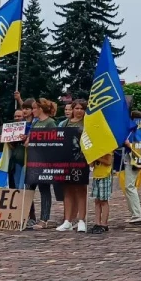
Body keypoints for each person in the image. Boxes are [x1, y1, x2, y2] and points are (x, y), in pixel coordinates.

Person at [57, 99, 88, 233]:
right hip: (65, 159)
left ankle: (81, 220)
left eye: (82, 108)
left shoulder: (87, 123)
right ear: (73, 109)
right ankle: (67, 220)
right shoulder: (64, 123)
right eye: (77, 108)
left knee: (81, 190)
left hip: (81, 160)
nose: (79, 111)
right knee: (68, 190)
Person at [28, 99, 58, 229]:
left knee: (44, 189)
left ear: (40, 109)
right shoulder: (35, 123)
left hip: (44, 161)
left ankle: (44, 219)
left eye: (34, 108)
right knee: (29, 189)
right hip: (33, 160)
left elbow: (54, 140)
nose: (33, 111)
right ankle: (28, 217)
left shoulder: (50, 122)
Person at [123, 110, 141, 225]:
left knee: (130, 186)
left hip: (135, 159)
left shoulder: (137, 131)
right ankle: (135, 213)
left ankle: (137, 214)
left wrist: (128, 144)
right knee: (129, 186)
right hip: (130, 158)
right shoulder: (133, 130)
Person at [89, 151, 114, 234]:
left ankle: (104, 224)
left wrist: (99, 157)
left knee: (104, 201)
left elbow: (109, 162)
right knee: (97, 201)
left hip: (104, 176)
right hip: (96, 176)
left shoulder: (107, 150)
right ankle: (97, 223)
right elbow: (91, 165)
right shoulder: (96, 150)